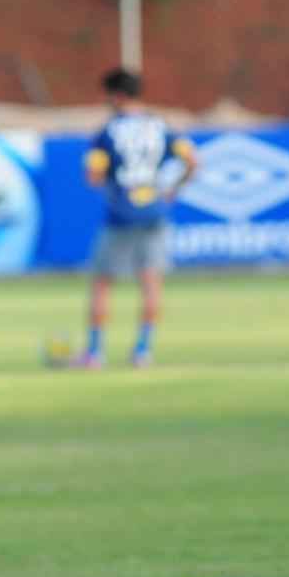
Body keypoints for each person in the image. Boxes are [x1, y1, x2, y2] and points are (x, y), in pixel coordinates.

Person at [75, 66, 197, 369]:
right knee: (151, 283)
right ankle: (143, 350)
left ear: (115, 96)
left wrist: (106, 179)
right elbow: (193, 161)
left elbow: (93, 174)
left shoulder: (107, 131)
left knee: (102, 283)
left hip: (120, 214)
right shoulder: (160, 126)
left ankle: (94, 352)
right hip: (154, 211)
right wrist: (172, 188)